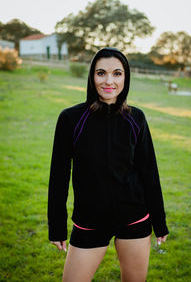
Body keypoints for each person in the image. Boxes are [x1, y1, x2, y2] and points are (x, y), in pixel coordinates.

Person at [47, 47, 169, 282]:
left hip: (135, 219)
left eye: (117, 73)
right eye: (101, 73)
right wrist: (56, 226)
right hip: (89, 221)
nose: (109, 81)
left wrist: (160, 222)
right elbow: (59, 176)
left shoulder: (136, 118)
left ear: (126, 77)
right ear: (92, 77)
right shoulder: (71, 119)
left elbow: (149, 172)